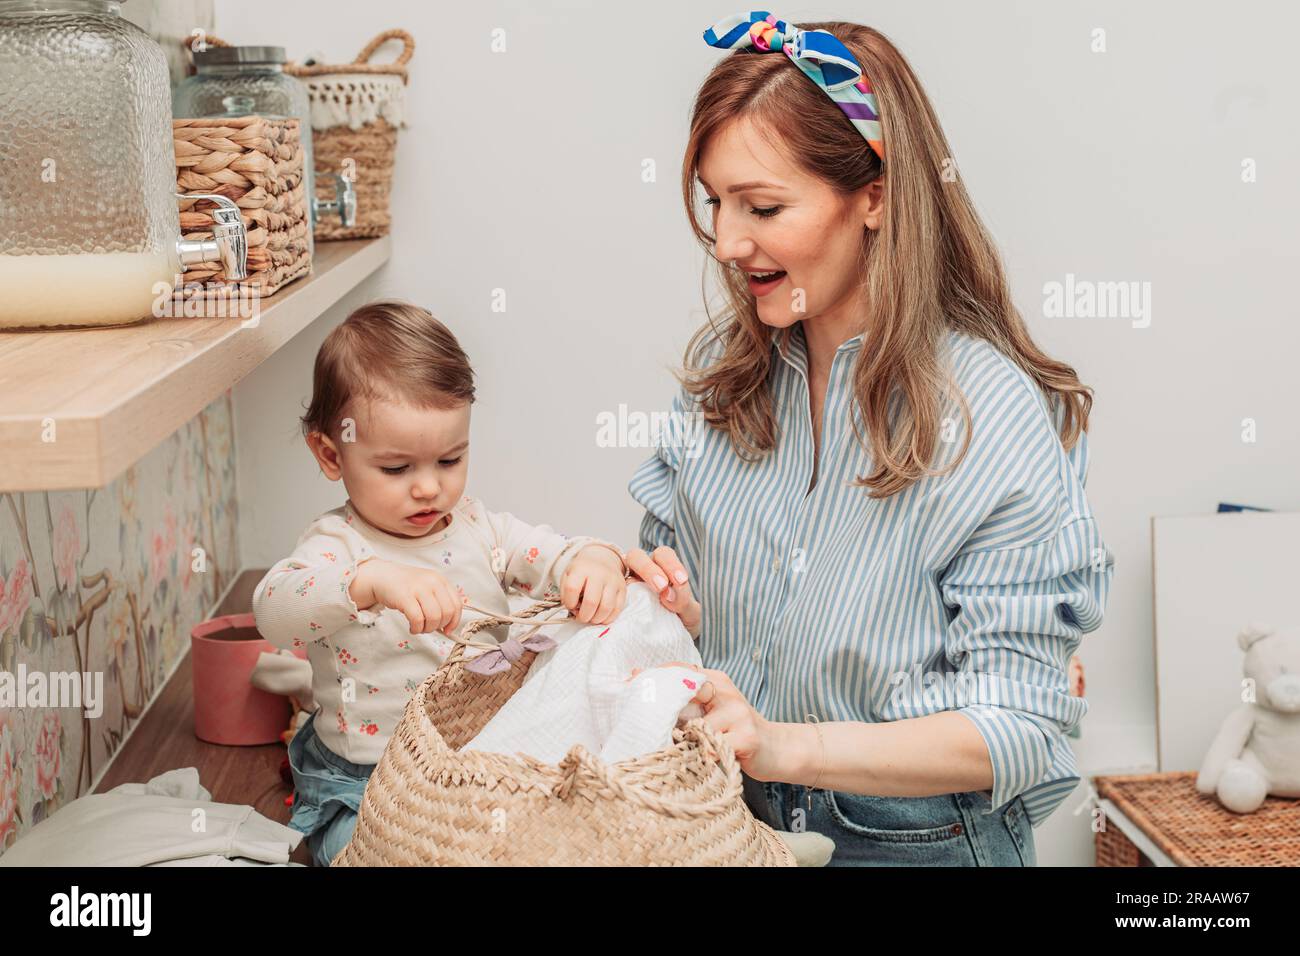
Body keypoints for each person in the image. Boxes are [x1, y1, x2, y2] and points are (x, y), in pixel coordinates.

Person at [623, 12, 1115, 866]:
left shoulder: (987, 411)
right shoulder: (724, 380)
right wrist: (646, 601)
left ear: (877, 196)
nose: (730, 243)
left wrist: (787, 746)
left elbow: (1019, 724)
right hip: (726, 817)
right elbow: (696, 626)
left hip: (911, 839)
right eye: (716, 202)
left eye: (764, 206)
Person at [253, 300, 627, 866]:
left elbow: (561, 552)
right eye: (397, 469)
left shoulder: (482, 531)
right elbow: (274, 610)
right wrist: (368, 582)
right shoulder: (338, 548)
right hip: (368, 781)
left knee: (562, 830)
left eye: (450, 460)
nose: (429, 488)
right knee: (369, 854)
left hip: (482, 762)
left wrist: (595, 560)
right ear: (331, 454)